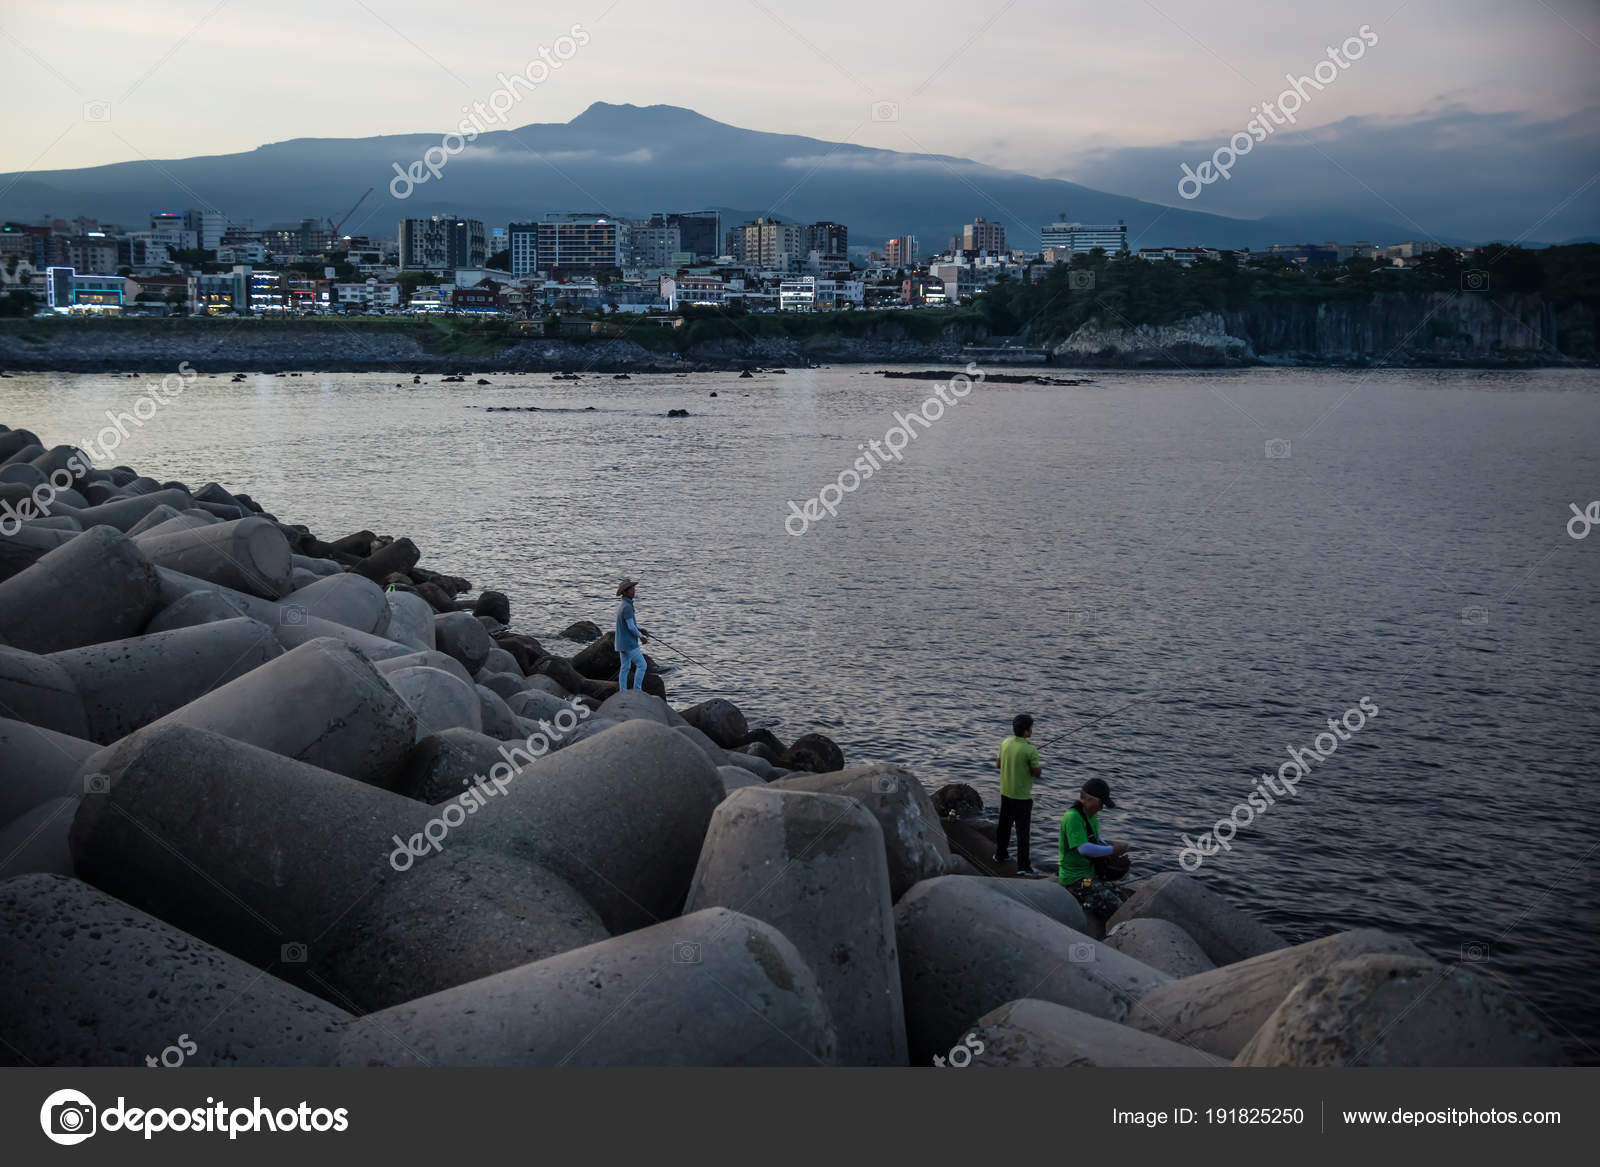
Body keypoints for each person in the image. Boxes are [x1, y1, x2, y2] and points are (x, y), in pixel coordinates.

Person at [1058, 777, 1132, 918]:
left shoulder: (1091, 815)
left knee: (1122, 898)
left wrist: (1110, 849)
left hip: (1090, 875)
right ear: (1090, 800)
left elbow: (1095, 838)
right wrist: (1112, 850)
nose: (1102, 808)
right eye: (1101, 803)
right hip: (1075, 879)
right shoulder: (1073, 817)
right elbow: (1083, 848)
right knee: (1117, 907)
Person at [994, 713, 1042, 877]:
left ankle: (1000, 855)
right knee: (1023, 832)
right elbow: (1037, 773)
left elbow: (998, 764)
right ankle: (1023, 866)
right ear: (1027, 731)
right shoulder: (1030, 749)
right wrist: (1029, 766)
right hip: (1022, 797)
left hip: (1005, 793)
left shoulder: (1005, 743)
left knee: (1004, 827)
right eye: (1031, 728)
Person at [615, 578, 649, 691]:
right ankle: (637, 690)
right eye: (631, 589)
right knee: (642, 665)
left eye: (634, 588)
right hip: (629, 643)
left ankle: (622, 690)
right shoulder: (627, 607)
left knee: (625, 667)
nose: (634, 591)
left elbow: (630, 624)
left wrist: (640, 629)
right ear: (624, 592)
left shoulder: (623, 605)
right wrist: (641, 636)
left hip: (621, 643)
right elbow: (630, 627)